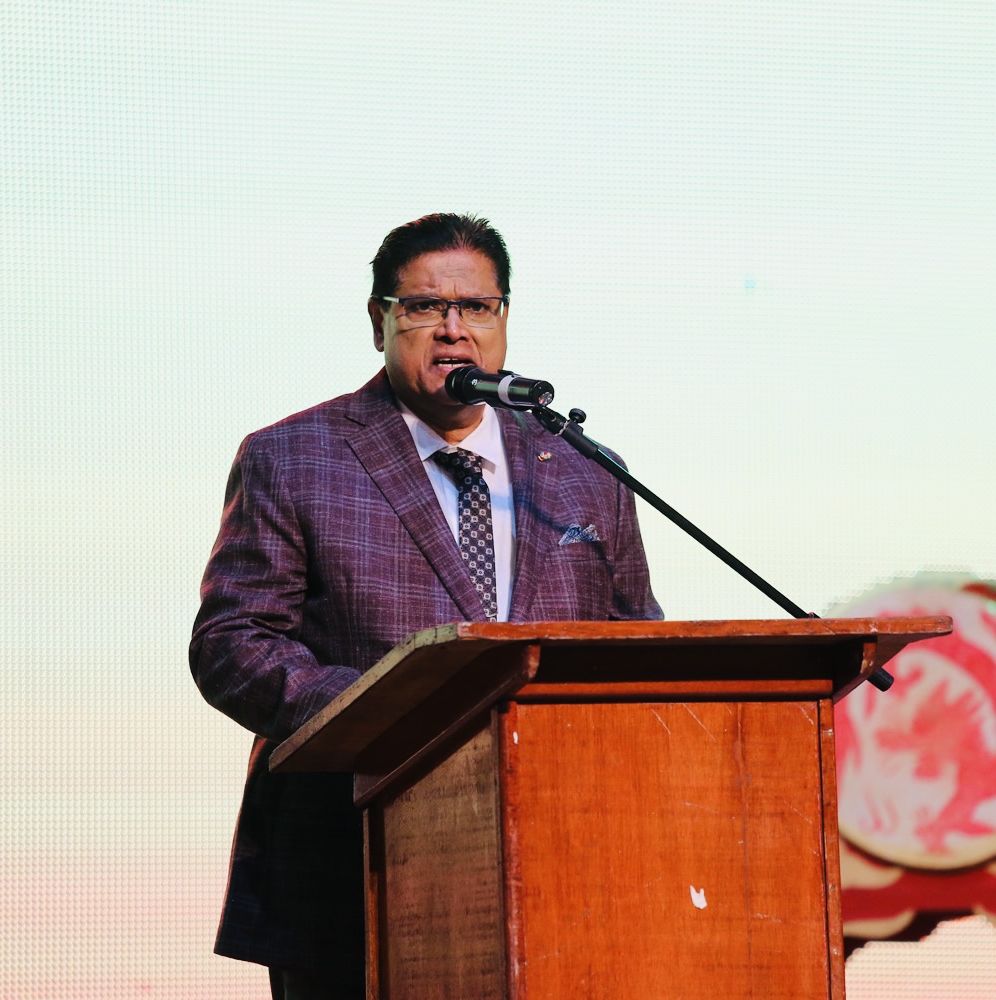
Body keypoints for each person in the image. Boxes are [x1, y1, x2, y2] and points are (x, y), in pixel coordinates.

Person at [190, 213, 662, 998]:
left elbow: (631, 637)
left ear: (503, 318)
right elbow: (233, 644)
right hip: (350, 864)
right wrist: (391, 713)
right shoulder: (294, 457)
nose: (453, 329)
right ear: (378, 321)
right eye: (423, 307)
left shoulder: (586, 470)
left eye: (475, 307)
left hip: (562, 867)